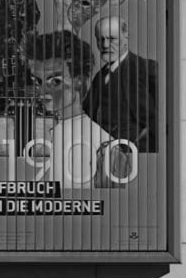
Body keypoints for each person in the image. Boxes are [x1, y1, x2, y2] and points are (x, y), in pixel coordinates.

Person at [20, 29, 118, 188]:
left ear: (78, 80)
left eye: (55, 82)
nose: (42, 91)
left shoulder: (103, 145)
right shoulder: (54, 132)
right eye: (38, 82)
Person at [84, 13, 158, 153]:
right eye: (100, 39)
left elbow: (162, 118)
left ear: (125, 38)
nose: (105, 45)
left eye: (112, 39)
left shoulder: (147, 69)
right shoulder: (100, 76)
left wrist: (138, 146)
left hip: (131, 153)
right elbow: (87, 114)